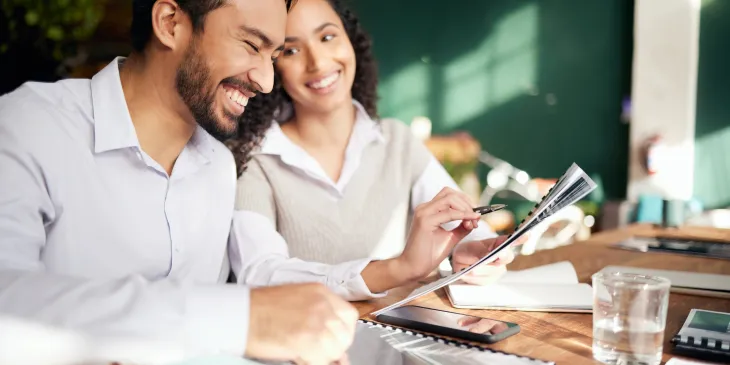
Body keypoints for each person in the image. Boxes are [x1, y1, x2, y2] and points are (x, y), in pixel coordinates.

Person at [0, 1, 368, 364]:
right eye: (251, 45)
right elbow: (6, 300)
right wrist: (243, 320)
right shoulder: (28, 124)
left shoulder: (219, 168)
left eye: (272, 58)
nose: (267, 82)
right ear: (170, 22)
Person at [228, 0, 521, 300]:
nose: (317, 62)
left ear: (351, 42)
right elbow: (259, 274)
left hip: (399, 342)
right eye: (291, 50)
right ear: (272, 64)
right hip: (303, 344)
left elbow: (464, 224)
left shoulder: (397, 141)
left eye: (328, 37)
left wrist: (470, 250)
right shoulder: (253, 159)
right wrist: (397, 269)